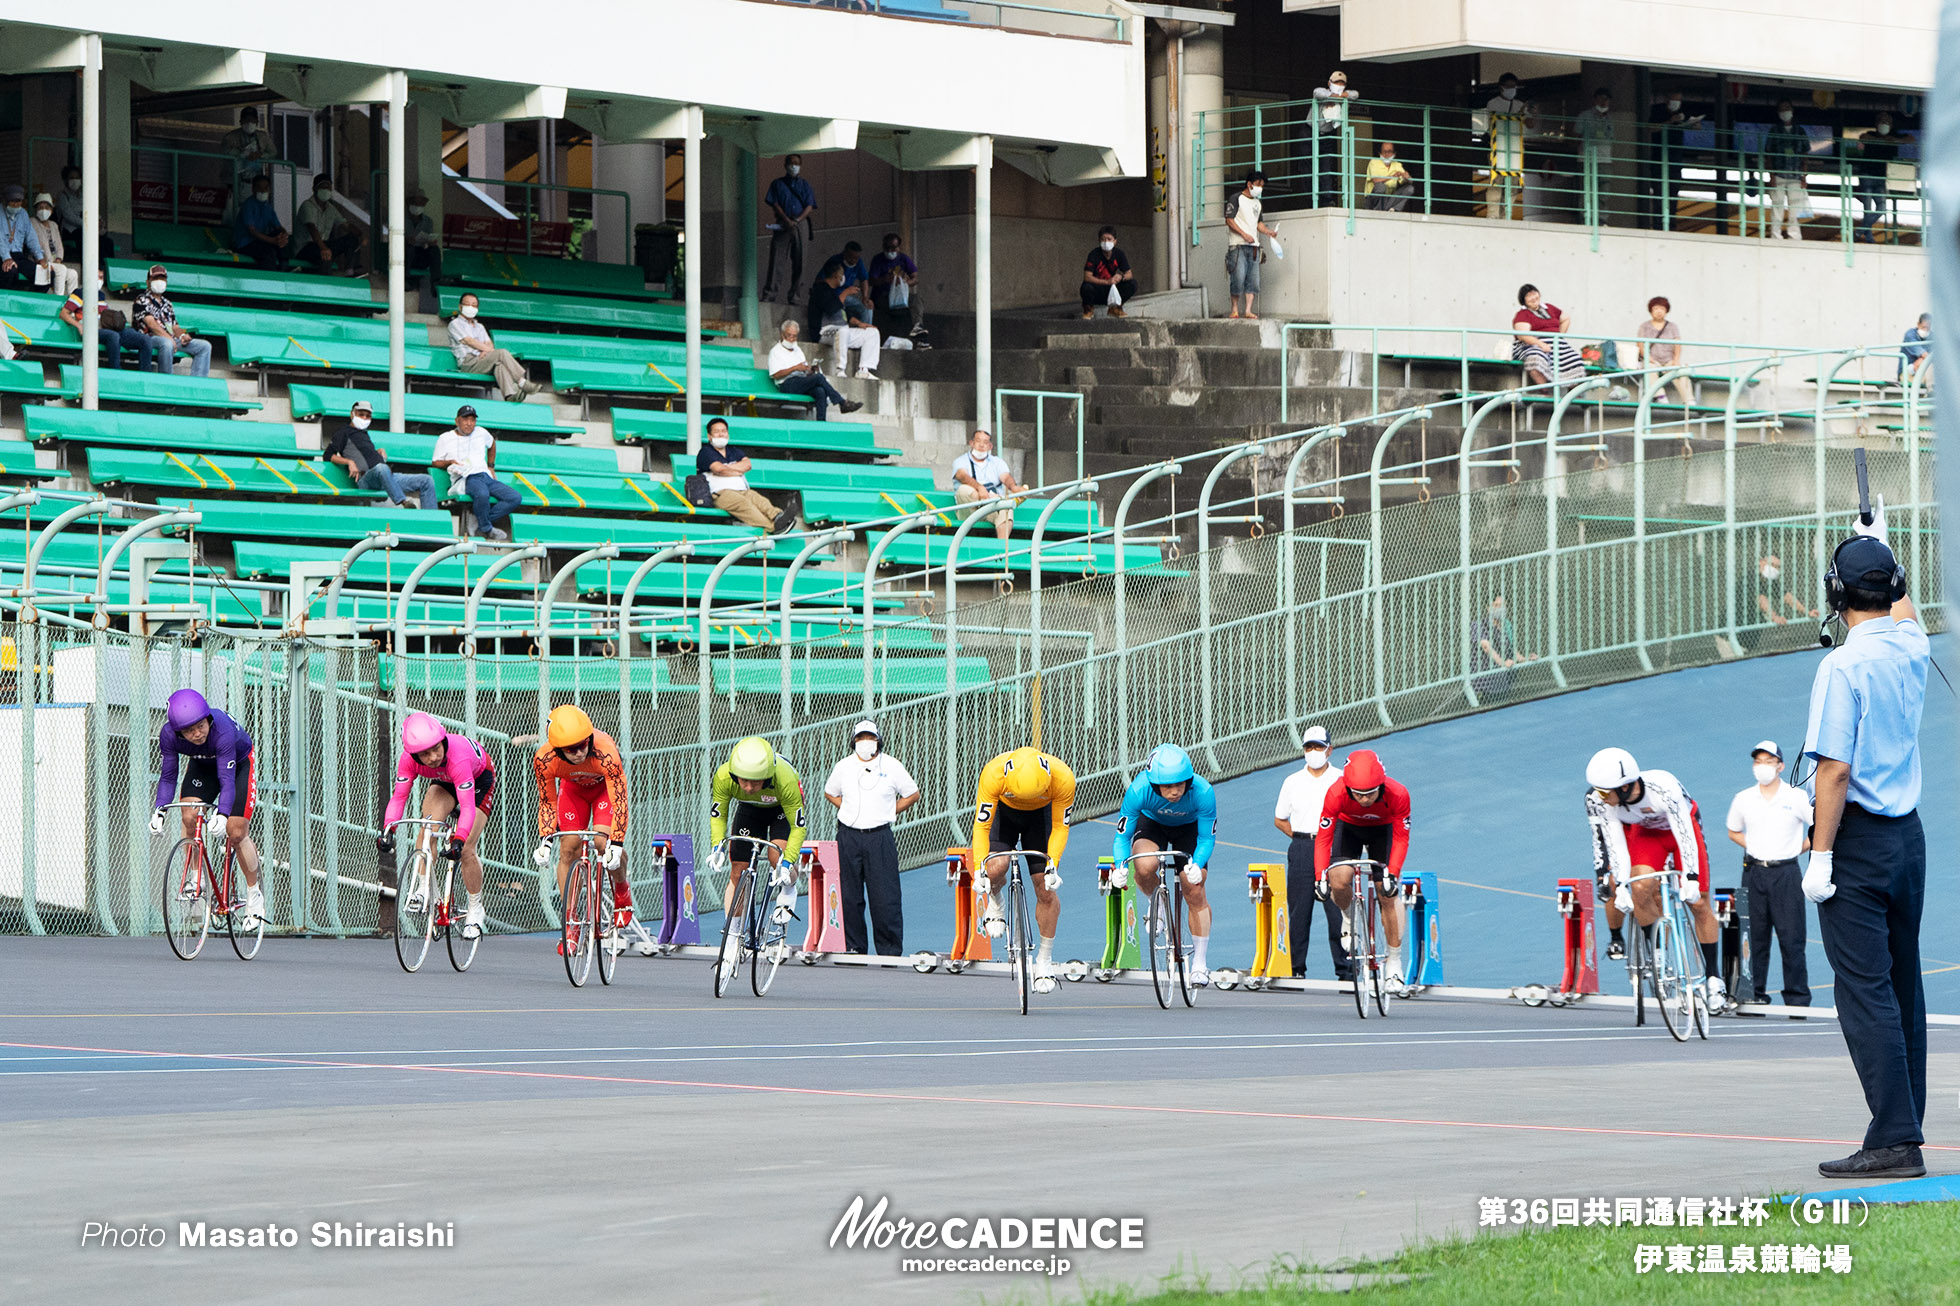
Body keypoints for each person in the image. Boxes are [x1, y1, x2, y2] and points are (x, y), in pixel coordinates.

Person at [1801, 508, 1929, 1178]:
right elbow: (1904, 609)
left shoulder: (1842, 668)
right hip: (1909, 839)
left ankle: (1893, 1138)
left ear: (1836, 594)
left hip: (1858, 841)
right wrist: (1879, 542)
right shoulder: (1912, 645)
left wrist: (1820, 855)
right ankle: (1905, 1125)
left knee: (1864, 989)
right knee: (1903, 984)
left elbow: (1834, 771)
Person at [1584, 747, 1727, 1008]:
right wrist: (1624, 887)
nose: (1600, 797)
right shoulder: (1601, 801)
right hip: (1647, 835)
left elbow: (1686, 835)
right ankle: (1657, 950)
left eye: (1606, 792)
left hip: (1681, 830)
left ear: (1625, 787)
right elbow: (1616, 845)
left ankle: (1714, 976)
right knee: (1640, 888)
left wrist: (1691, 878)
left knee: (1698, 902)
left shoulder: (1663, 787)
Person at [149, 688, 265, 925]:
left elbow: (227, 779)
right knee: (189, 816)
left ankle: (254, 895)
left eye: (201, 726)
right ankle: (195, 876)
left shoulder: (221, 731)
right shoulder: (168, 736)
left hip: (238, 765)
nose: (198, 734)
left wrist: (222, 814)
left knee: (236, 830)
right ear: (177, 732)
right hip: (202, 765)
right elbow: (169, 776)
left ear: (208, 719)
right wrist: (160, 809)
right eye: (189, 731)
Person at [1108, 744, 1219, 985]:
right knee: (1145, 865)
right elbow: (1122, 837)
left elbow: (1207, 838)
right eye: (1168, 786)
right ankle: (1154, 902)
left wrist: (1196, 864)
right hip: (1153, 823)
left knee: (1195, 888)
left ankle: (1200, 963)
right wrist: (1120, 866)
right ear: (1154, 784)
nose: (1175, 791)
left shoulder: (1203, 791)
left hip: (1188, 830)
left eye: (1180, 784)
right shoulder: (1138, 791)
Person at [531, 705, 637, 950]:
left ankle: (621, 890)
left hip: (604, 793)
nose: (579, 752)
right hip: (573, 792)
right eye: (571, 749)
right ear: (558, 750)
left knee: (602, 843)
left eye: (583, 744)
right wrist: (545, 839)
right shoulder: (544, 759)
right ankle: (570, 921)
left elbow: (620, 800)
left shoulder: (606, 752)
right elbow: (547, 801)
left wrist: (617, 844)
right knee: (568, 848)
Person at [381, 713, 494, 940]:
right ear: (414, 755)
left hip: (477, 780)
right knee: (427, 828)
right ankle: (424, 889)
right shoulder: (408, 761)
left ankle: (475, 909)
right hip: (444, 781)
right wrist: (388, 830)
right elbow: (399, 797)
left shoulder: (457, 756)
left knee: (467, 849)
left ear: (442, 740)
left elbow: (468, 807)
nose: (432, 757)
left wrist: (459, 839)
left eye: (436, 749)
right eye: (424, 754)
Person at [971, 745, 1076, 985]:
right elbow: (981, 826)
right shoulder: (993, 773)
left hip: (1041, 817)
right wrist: (979, 868)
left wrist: (1053, 865)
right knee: (995, 868)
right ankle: (996, 902)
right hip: (1003, 814)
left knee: (1046, 889)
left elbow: (1060, 827)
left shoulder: (1063, 778)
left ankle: (1044, 959)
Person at [1313, 748, 1413, 994]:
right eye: (1358, 794)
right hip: (1349, 828)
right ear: (1348, 788)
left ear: (1382, 784)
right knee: (1338, 879)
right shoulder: (1335, 792)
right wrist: (1319, 877)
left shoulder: (1398, 793)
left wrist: (1393, 873)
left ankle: (1395, 961)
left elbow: (1401, 838)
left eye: (1370, 794)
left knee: (1387, 894)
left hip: (1384, 830)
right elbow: (1324, 839)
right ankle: (1348, 919)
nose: (1365, 800)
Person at [1725, 739, 1812, 1009]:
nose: (1763, 767)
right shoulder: (1743, 798)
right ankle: (1752, 995)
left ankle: (1797, 1000)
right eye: (1758, 762)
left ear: (1781, 766)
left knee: (1792, 937)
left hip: (1786, 873)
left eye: (1769, 761)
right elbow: (1733, 830)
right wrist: (1754, 846)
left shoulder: (1795, 797)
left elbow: (1817, 827)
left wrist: (1798, 849)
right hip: (1753, 872)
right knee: (1752, 936)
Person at [823, 720, 920, 957]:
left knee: (885, 896)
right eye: (860, 738)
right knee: (849, 895)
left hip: (879, 837)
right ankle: (854, 946)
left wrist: (891, 810)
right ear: (853, 741)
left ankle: (889, 950)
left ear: (878, 740)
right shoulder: (843, 766)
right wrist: (845, 808)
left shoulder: (891, 765)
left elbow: (912, 793)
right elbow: (830, 791)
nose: (865, 742)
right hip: (849, 836)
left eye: (870, 737)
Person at [1272, 726, 1354, 980]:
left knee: (1338, 909)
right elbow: (1280, 819)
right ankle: (1295, 967)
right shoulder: (1292, 781)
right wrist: (1301, 837)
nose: (1314, 752)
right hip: (1303, 847)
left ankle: (1346, 969)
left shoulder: (1342, 778)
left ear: (1330, 749)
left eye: (1319, 747)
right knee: (1299, 911)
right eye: (1309, 747)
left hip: (1335, 848)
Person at [710, 736, 808, 933]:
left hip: (780, 809)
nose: (748, 787)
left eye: (755, 782)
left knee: (776, 857)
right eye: (744, 781)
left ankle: (789, 888)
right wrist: (716, 846)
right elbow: (719, 815)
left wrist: (787, 862)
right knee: (738, 870)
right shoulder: (723, 776)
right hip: (749, 810)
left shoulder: (785, 779)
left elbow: (798, 828)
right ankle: (732, 934)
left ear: (768, 776)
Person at [325, 400, 438, 509]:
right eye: (361, 414)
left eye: (367, 416)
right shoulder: (344, 432)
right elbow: (328, 455)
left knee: (426, 480)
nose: (364, 418)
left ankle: (432, 522)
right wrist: (349, 462)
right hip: (366, 479)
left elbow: (363, 453)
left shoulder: (363, 433)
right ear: (352, 414)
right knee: (381, 468)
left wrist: (377, 452)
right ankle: (403, 501)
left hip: (387, 477)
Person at [432, 404, 520, 540]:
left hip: (485, 475)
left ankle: (479, 519)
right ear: (457, 421)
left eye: (472, 420)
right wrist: (450, 462)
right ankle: (486, 529)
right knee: (482, 494)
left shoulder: (481, 432)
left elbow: (492, 445)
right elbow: (435, 462)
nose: (469, 424)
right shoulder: (445, 438)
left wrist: (491, 466)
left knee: (514, 497)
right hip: (466, 477)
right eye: (465, 419)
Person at [698, 417, 794, 535]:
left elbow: (747, 465)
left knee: (758, 499)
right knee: (745, 504)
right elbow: (718, 469)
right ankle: (773, 528)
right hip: (721, 494)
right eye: (716, 432)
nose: (721, 434)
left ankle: (778, 516)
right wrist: (737, 470)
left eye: (723, 431)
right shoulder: (706, 452)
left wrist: (727, 470)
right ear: (709, 436)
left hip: (742, 490)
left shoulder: (734, 450)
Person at [448, 292, 538, 402]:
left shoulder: (479, 326)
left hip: (482, 361)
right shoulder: (455, 324)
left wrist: (487, 352)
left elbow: (489, 343)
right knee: (501, 353)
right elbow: (469, 341)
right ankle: (522, 382)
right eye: (467, 304)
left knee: (499, 365)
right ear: (460, 306)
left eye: (474, 305)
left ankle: (510, 396)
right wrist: (489, 351)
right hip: (468, 363)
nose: (470, 307)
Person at [60, 266, 153, 370]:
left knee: (145, 340)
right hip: (92, 330)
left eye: (101, 277)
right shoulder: (79, 294)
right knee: (113, 336)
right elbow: (64, 313)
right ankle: (115, 370)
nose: (100, 280)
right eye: (97, 276)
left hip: (108, 328)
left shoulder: (101, 295)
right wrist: (79, 326)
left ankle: (146, 374)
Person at [767, 319, 860, 420]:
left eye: (794, 336)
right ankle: (842, 402)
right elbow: (775, 374)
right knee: (819, 378)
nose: (792, 339)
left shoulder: (797, 349)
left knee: (820, 391)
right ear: (782, 334)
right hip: (786, 384)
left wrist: (809, 370)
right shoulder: (775, 351)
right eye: (789, 335)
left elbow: (803, 367)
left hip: (801, 380)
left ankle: (821, 423)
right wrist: (795, 368)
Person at [133, 265, 212, 377]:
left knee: (204, 346)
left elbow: (174, 326)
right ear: (148, 282)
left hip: (170, 340)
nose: (159, 282)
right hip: (148, 338)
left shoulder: (167, 303)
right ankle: (167, 381)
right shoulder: (141, 300)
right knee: (167, 343)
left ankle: (198, 383)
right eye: (155, 279)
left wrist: (182, 336)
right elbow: (151, 324)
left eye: (162, 279)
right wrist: (170, 338)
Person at [1643, 88, 1706, 228]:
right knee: (1659, 195)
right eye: (1674, 100)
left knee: (1673, 195)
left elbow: (1697, 127)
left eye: (1678, 100)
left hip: (1675, 160)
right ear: (1666, 100)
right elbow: (1649, 128)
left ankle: (1671, 225)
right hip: (1659, 160)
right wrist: (1670, 122)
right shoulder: (1657, 110)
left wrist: (1695, 123)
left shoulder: (1683, 112)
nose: (1676, 103)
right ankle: (1659, 225)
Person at [1733, 552, 1817, 654]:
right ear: (1761, 562)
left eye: (1777, 567)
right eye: (1772, 565)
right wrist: (1775, 617)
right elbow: (1761, 599)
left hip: (1748, 639)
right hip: (1731, 636)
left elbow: (1787, 597)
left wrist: (1807, 612)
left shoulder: (1770, 582)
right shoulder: (1750, 579)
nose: (1774, 569)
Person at [761, 154, 817, 306]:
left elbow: (810, 206)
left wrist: (797, 220)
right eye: (791, 163)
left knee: (801, 260)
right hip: (782, 221)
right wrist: (786, 219)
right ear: (785, 165)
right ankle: (770, 294)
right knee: (777, 259)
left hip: (801, 222)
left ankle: (795, 296)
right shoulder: (777, 184)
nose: (794, 166)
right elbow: (774, 203)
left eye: (797, 163)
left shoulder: (805, 184)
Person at [950, 429, 1022, 544]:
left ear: (990, 446)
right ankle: (990, 500)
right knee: (963, 489)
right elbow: (962, 476)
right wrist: (980, 488)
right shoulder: (960, 461)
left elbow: (1006, 477)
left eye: (985, 442)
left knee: (1006, 507)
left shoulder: (997, 462)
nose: (982, 445)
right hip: (970, 510)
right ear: (971, 443)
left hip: (991, 510)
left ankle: (1002, 551)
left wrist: (1014, 488)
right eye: (978, 441)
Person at [808, 263, 880, 380]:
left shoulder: (834, 292)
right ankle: (840, 370)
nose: (843, 277)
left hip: (842, 331)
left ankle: (864, 370)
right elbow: (831, 309)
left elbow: (844, 314)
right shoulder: (820, 289)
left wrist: (859, 324)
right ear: (836, 275)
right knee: (842, 331)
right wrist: (846, 293)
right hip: (824, 332)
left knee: (872, 333)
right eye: (842, 274)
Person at [1223, 172, 1277, 320]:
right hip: (1238, 245)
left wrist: (1268, 232)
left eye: (1262, 186)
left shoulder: (1257, 203)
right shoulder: (1236, 198)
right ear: (1249, 184)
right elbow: (1229, 220)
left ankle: (1248, 310)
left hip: (1254, 247)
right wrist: (1243, 234)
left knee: (1253, 281)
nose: (1260, 188)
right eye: (1258, 185)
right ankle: (1234, 309)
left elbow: (1258, 223)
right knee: (1238, 277)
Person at [1468, 593, 1538, 699]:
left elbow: (1512, 650)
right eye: (1496, 605)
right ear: (1488, 608)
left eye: (1502, 605)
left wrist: (1527, 659)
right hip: (1483, 682)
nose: (1499, 609)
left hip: (1501, 684)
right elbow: (1486, 647)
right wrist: (1503, 663)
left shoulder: (1506, 625)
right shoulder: (1477, 625)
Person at [293, 174, 365, 275]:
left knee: (352, 239)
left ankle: (351, 271)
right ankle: (324, 283)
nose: (326, 190)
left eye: (329, 188)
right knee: (326, 255)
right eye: (323, 187)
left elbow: (345, 225)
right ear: (314, 189)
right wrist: (323, 247)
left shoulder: (331, 209)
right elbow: (312, 228)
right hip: (305, 248)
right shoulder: (307, 206)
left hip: (323, 246)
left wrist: (361, 235)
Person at [1511, 284, 1580, 387]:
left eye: (1534, 293)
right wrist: (1540, 344)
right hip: (1532, 345)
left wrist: (1559, 337)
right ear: (1524, 300)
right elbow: (1523, 335)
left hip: (1555, 344)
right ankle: (1546, 390)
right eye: (1528, 296)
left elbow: (1566, 319)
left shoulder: (1549, 308)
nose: (1533, 298)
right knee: (1535, 358)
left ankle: (1572, 392)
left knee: (1573, 360)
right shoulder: (1523, 314)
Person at [1634, 296, 1695, 409]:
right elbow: (1640, 345)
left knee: (1681, 372)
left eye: (1661, 308)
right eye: (1655, 308)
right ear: (1651, 310)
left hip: (1668, 360)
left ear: (1666, 310)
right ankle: (1660, 396)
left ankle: (1689, 400)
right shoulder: (1645, 326)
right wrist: (1648, 358)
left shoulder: (1672, 327)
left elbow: (1677, 344)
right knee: (1650, 368)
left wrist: (1676, 360)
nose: (1658, 311)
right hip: (1652, 359)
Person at [1482, 74, 1529, 220]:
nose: (1512, 90)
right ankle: (1493, 215)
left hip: (1515, 148)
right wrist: (1520, 113)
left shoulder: (1520, 104)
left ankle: (1506, 216)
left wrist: (1529, 113)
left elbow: (1530, 124)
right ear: (1501, 87)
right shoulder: (1493, 103)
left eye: (1514, 87)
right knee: (1497, 181)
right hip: (1498, 146)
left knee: (1514, 183)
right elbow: (1499, 120)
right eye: (1509, 86)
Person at [1762, 101, 1811, 241]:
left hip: (1796, 175)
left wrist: (1804, 177)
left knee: (1794, 208)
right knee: (1777, 206)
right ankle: (1775, 234)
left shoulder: (1800, 131)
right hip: (1778, 174)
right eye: (1782, 109)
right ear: (1778, 112)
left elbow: (1805, 155)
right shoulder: (1774, 130)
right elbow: (1768, 154)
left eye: (1787, 109)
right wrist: (1770, 175)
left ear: (1792, 110)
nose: (1785, 112)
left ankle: (1794, 235)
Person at [1311, 71, 1360, 208]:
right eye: (1336, 83)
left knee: (1326, 167)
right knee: (1307, 164)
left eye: (1341, 83)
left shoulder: (1345, 95)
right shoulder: (1324, 92)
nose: (1339, 85)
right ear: (1329, 83)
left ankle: (1327, 199)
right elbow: (1317, 92)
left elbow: (1355, 94)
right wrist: (1333, 96)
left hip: (1327, 135)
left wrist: (1340, 96)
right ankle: (1310, 198)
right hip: (1310, 132)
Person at [867, 232, 925, 341]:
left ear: (899, 247)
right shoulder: (878, 259)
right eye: (887, 248)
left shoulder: (903, 259)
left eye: (893, 248)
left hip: (900, 296)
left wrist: (906, 283)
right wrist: (884, 279)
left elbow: (915, 278)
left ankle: (917, 326)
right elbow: (871, 281)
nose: (890, 251)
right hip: (883, 297)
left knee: (916, 299)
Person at [1853, 113, 1898, 242]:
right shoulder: (1870, 134)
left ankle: (1860, 231)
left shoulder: (1894, 136)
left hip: (1882, 178)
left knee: (1881, 209)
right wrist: (1884, 141)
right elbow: (1863, 137)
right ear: (1876, 124)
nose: (1884, 124)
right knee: (1867, 209)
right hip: (1867, 175)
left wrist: (1894, 140)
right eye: (1882, 121)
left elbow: (1910, 139)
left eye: (1887, 122)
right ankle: (1869, 238)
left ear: (1892, 125)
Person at [231, 175, 290, 270]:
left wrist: (283, 236)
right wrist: (272, 241)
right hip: (245, 244)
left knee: (279, 235)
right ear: (253, 189)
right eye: (259, 187)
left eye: (266, 188)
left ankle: (284, 266)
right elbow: (252, 231)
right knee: (268, 252)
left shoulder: (268, 207)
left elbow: (278, 227)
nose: (262, 191)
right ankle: (270, 278)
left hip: (260, 242)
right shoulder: (248, 205)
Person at [220, 107, 279, 199]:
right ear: (241, 122)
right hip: (235, 183)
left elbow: (273, 152)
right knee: (234, 208)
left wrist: (260, 155)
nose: (249, 123)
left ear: (257, 122)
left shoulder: (262, 136)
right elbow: (224, 151)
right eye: (246, 120)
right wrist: (242, 154)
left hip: (256, 183)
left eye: (252, 120)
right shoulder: (231, 137)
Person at [1080, 226, 1135, 319]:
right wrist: (1107, 282)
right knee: (1086, 287)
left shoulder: (1119, 254)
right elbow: (1087, 276)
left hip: (1112, 290)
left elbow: (1129, 274)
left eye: (1109, 239)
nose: (1106, 242)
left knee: (1132, 284)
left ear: (1115, 241)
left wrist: (1121, 277)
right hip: (1098, 289)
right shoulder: (1094, 254)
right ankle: (1088, 309)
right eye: (1103, 239)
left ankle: (1116, 308)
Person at [0, 185, 46, 291]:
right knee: (10, 271)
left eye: (19, 201)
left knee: (43, 275)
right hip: (2, 255)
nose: (16, 204)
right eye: (13, 201)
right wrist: (6, 257)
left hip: (18, 256)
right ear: (5, 200)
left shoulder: (23, 214)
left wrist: (40, 258)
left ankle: (32, 303)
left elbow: (31, 237)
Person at [26, 194, 72, 297]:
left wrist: (59, 258)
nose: (43, 210)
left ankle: (71, 304)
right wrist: (47, 260)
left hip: (55, 262)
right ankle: (57, 300)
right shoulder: (32, 222)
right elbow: (36, 245)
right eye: (40, 208)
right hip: (41, 262)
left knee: (73, 274)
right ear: (35, 209)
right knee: (61, 270)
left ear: (51, 209)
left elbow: (59, 245)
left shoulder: (54, 225)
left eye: (47, 207)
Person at [404, 190, 443, 301]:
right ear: (409, 204)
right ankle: (406, 279)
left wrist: (430, 242)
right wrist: (406, 240)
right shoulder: (401, 219)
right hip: (405, 254)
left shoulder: (428, 221)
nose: (418, 207)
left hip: (420, 253)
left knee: (434, 250)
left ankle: (435, 282)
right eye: (415, 203)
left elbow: (427, 237)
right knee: (409, 248)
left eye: (420, 204)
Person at [1364, 142, 1415, 213]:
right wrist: (1392, 176)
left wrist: (1407, 177)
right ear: (1380, 153)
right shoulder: (1374, 162)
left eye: (1389, 151)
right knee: (1380, 186)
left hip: (1388, 200)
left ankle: (1394, 209)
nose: (1386, 154)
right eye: (1384, 151)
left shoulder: (1397, 165)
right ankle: (1377, 212)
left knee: (1410, 188)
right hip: (1372, 201)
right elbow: (1376, 180)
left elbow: (1410, 181)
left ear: (1394, 154)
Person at [1899, 313, 1931, 384]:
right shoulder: (1910, 334)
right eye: (1923, 327)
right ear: (1918, 324)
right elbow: (1924, 355)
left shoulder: (1932, 336)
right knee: (1924, 361)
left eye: (1928, 328)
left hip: (1923, 372)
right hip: (1907, 372)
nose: (1925, 330)